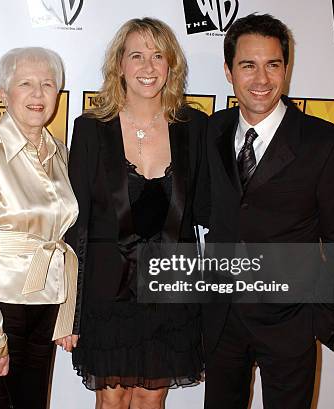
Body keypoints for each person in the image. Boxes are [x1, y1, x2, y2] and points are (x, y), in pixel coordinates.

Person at [202, 13, 334, 409]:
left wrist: (319, 317)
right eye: (248, 65)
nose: (261, 79)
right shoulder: (212, 131)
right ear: (228, 71)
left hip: (290, 324)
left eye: (273, 64)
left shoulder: (327, 144)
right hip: (221, 320)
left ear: (286, 68)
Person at [66, 17, 208, 409]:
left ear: (171, 65)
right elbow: (75, 224)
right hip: (107, 292)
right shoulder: (91, 129)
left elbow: (209, 210)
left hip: (171, 293)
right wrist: (70, 311)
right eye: (137, 56)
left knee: (152, 396)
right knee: (112, 400)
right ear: (120, 65)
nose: (148, 68)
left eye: (158, 56)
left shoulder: (194, 127)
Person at [0, 47, 79, 409]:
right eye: (25, 83)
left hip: (46, 302)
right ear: (3, 93)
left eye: (48, 84)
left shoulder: (60, 153)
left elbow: (61, 239)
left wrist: (68, 309)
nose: (38, 94)